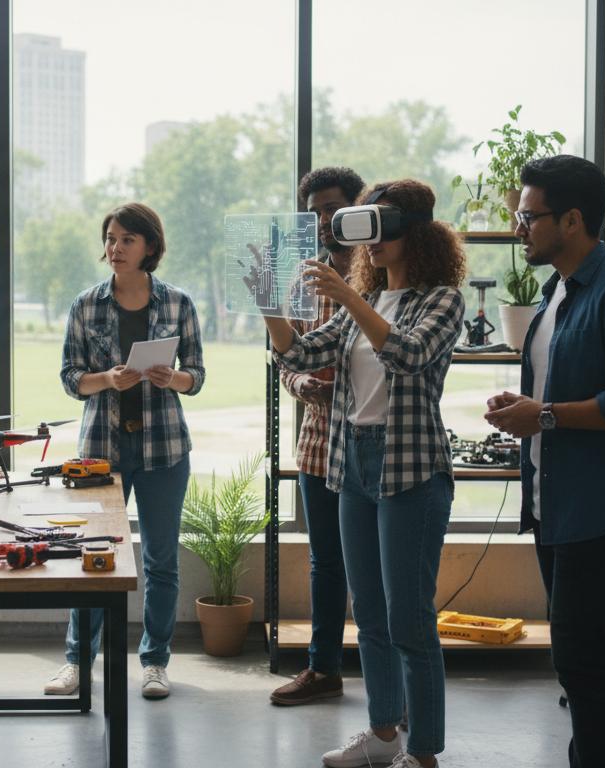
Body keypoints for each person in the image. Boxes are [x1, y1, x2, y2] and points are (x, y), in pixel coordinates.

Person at [264, 180, 465, 768]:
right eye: (364, 230)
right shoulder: (366, 301)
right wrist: (269, 302)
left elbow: (405, 354)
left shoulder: (441, 300)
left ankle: (422, 752)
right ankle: (382, 736)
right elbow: (300, 356)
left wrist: (349, 297)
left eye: (384, 228)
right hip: (352, 462)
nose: (371, 243)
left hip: (411, 469)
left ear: (417, 232)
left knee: (410, 619)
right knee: (370, 616)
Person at [484, 154, 605, 768]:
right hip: (556, 501)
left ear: (572, 220)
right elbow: (556, 387)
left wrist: (544, 414)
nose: (519, 227)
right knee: (585, 651)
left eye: (528, 216)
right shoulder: (556, 292)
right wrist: (527, 407)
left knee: (579, 654)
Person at [43, 202, 205, 700]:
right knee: (92, 556)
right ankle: (77, 661)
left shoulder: (178, 303)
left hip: (164, 450)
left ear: (150, 246)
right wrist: (107, 379)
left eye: (127, 239)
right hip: (101, 451)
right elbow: (72, 379)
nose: (115, 248)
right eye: (111, 238)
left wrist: (170, 376)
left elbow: (195, 376)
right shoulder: (86, 304)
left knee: (160, 562)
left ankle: (155, 662)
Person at [270, 166, 366, 707]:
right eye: (316, 213)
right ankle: (323, 669)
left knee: (375, 566)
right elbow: (283, 358)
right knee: (326, 562)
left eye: (334, 208)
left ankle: (391, 675)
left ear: (358, 209)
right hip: (317, 440)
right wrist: (303, 383)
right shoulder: (302, 281)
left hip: (376, 444)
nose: (326, 220)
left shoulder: (380, 275)